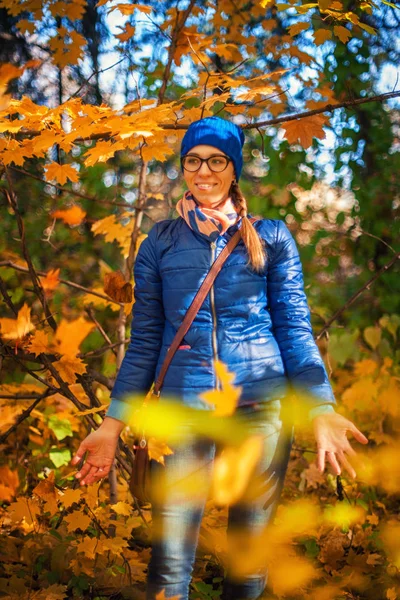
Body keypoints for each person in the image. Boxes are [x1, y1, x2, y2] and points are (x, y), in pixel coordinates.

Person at [71, 116, 368, 600]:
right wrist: (112, 424)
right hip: (183, 411)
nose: (202, 171)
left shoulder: (270, 237)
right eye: (192, 160)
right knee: (170, 563)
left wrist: (320, 407)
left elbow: (294, 327)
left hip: (261, 411)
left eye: (215, 160)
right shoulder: (161, 242)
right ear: (183, 167)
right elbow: (145, 340)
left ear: (234, 169)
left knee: (247, 561)